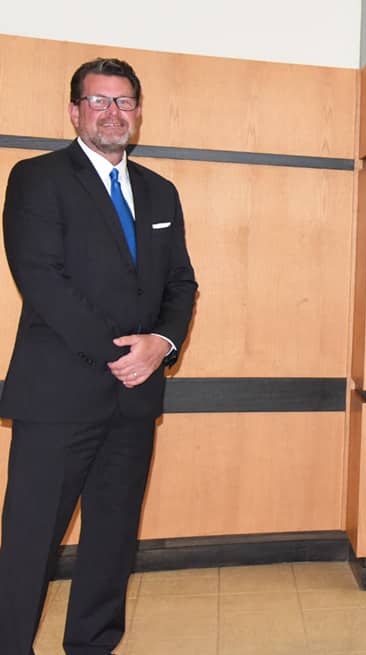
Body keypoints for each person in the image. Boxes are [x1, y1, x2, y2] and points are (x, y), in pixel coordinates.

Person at [0, 58, 198, 655]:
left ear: (138, 113)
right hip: (59, 395)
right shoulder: (36, 178)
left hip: (134, 401)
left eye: (124, 102)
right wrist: (121, 354)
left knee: (113, 540)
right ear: (75, 111)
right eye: (99, 101)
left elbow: (181, 284)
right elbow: (43, 280)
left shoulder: (162, 191)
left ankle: (92, 643)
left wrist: (161, 345)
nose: (113, 112)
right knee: (32, 540)